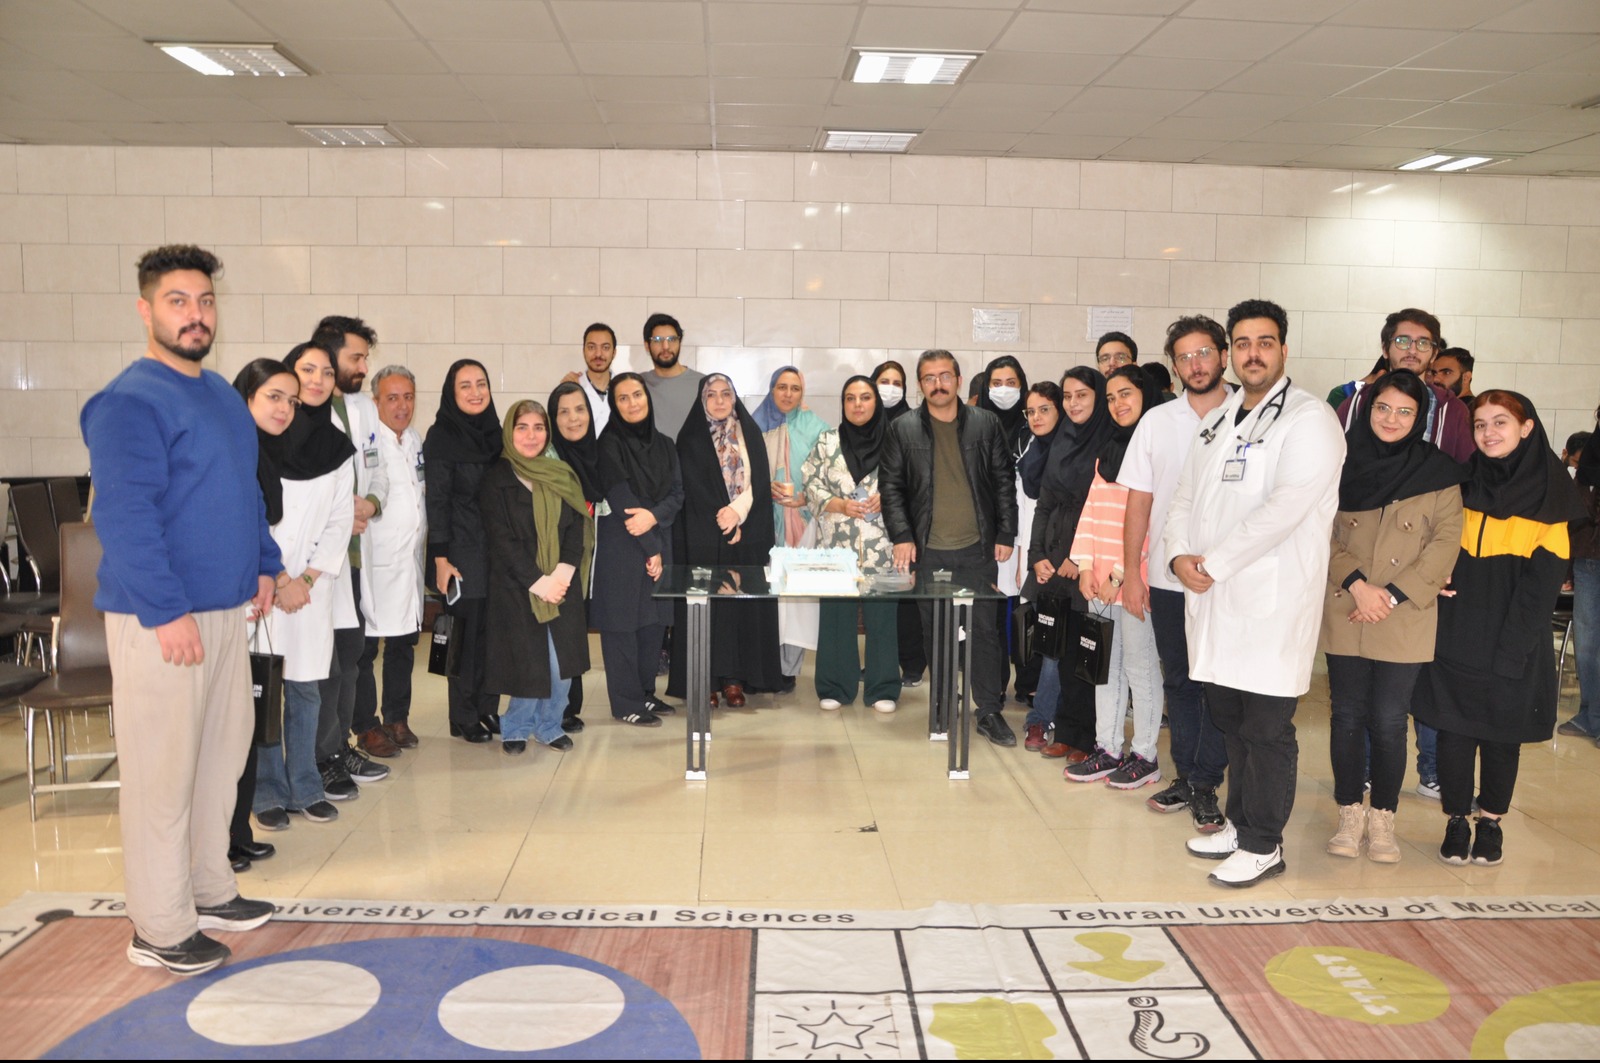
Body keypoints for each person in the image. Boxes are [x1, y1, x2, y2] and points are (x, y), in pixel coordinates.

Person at [82, 245, 279, 974]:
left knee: (220, 762)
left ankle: (207, 888)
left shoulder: (222, 394)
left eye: (204, 301)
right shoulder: (128, 403)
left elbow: (246, 491)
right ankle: (160, 927)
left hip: (225, 610)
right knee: (162, 775)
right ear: (146, 310)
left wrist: (265, 564)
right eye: (177, 301)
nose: (195, 315)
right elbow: (124, 516)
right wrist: (166, 612)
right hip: (160, 619)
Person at [1165, 298, 1345, 888]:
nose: (1253, 354)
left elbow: (1286, 508)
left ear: (1283, 349)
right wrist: (1178, 555)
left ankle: (1264, 842)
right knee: (1231, 719)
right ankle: (1240, 827)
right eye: (1242, 344)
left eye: (1264, 342)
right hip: (1214, 597)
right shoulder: (1218, 419)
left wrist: (1213, 563)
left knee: (1265, 728)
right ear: (1229, 354)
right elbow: (1185, 496)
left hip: (1271, 600)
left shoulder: (1310, 419)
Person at [1415, 391, 1581, 865]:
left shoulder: (1551, 497)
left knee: (1502, 735)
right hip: (1456, 631)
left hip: (1516, 637)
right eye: (1481, 424)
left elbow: (1540, 589)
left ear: (1527, 428)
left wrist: (1513, 649)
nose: (1489, 433)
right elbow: (1435, 544)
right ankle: (1455, 818)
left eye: (1500, 422)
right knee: (1453, 731)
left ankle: (1490, 823)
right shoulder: (1462, 482)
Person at [1319, 370, 1464, 864]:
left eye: (1405, 411)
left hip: (1405, 614)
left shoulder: (1440, 473)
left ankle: (1382, 818)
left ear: (1419, 417)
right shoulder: (1341, 465)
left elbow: (1446, 543)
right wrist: (1360, 587)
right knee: (1346, 716)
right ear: (1368, 409)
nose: (1392, 419)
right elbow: (1323, 532)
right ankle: (1348, 813)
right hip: (1348, 605)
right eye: (1383, 408)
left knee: (1387, 721)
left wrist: (1392, 596)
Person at [1120, 316, 1232, 831]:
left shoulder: (1248, 416)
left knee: (1221, 686)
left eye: (1204, 352)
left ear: (1223, 356)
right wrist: (1133, 573)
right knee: (1181, 682)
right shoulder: (1157, 421)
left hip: (1228, 579)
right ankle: (1188, 776)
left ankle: (1208, 781)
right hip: (1167, 579)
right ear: (1173, 366)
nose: (1196, 364)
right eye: (1184, 357)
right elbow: (1139, 503)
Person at [880, 350, 1019, 747]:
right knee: (937, 630)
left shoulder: (986, 424)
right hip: (929, 550)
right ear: (920, 384)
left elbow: (1004, 481)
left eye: (944, 376)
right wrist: (902, 536)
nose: (937, 384)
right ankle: (942, 702)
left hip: (977, 547)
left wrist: (1006, 532)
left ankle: (988, 709)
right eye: (929, 378)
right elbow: (891, 488)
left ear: (959, 379)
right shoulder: (903, 429)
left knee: (984, 632)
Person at [253, 341, 356, 830]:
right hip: (262, 583)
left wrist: (307, 578)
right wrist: (279, 578)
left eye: (326, 373)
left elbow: (339, 520)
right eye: (307, 370)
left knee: (306, 689)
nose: (317, 380)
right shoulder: (259, 438)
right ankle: (267, 791)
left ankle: (306, 786)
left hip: (312, 588)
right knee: (266, 686)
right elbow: (251, 515)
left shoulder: (338, 447)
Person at [1065, 365, 1166, 790]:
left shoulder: (1158, 451)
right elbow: (1090, 512)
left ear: (1146, 395)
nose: (1117, 404)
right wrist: (1086, 566)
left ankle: (1145, 755)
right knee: (1103, 668)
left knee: (1140, 669)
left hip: (1134, 579)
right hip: (1099, 582)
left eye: (1126, 393)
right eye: (1110, 397)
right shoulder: (1106, 451)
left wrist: (1120, 575)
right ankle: (1107, 748)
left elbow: (1152, 523)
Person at [479, 400, 594, 756]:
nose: (531, 436)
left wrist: (562, 574)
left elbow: (577, 525)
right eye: (522, 427)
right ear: (510, 432)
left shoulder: (561, 474)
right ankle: (516, 726)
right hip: (517, 586)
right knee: (527, 663)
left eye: (539, 428)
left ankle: (549, 725)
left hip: (561, 584)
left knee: (561, 666)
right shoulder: (496, 479)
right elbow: (501, 540)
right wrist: (539, 582)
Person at [308, 316, 392, 788]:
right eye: (355, 358)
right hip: (321, 559)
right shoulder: (305, 409)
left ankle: (339, 748)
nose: (363, 367)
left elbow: (377, 470)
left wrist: (371, 503)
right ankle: (322, 757)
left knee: (352, 652)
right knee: (326, 662)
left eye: (364, 358)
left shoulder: (361, 409)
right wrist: (345, 512)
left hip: (355, 554)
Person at [227, 358, 299, 876]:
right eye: (274, 396)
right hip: (221, 600)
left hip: (249, 595)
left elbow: (256, 518)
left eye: (291, 401)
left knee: (245, 719)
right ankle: (223, 839)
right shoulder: (233, 446)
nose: (285, 408)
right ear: (246, 396)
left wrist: (270, 569)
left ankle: (237, 833)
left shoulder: (253, 448)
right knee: (228, 727)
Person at [668, 373, 782, 704]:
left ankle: (735, 679)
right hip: (703, 536)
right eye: (711, 394)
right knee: (706, 607)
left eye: (725, 394)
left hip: (746, 533)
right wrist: (722, 520)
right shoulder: (689, 438)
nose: (719, 400)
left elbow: (760, 484)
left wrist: (738, 514)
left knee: (738, 607)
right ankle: (705, 680)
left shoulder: (750, 433)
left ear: (734, 398)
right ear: (702, 400)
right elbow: (690, 490)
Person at [1028, 367, 1113, 762]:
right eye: (1068, 396)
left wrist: (1076, 559)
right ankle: (1064, 731)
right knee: (1060, 650)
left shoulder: (1108, 440)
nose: (1073, 403)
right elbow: (1044, 503)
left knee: (1086, 654)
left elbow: (1100, 509)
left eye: (1082, 395)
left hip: (1085, 565)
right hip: (1054, 563)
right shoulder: (1063, 438)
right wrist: (1037, 557)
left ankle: (1087, 738)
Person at [592, 372, 684, 726]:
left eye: (637, 395)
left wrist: (654, 518)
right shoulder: (608, 444)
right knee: (622, 624)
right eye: (623, 398)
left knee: (653, 622)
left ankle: (645, 692)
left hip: (657, 537)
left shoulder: (666, 445)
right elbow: (621, 497)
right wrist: (651, 548)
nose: (632, 403)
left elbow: (677, 494)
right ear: (615, 406)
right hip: (623, 542)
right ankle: (626, 702)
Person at [802, 375, 898, 712]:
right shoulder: (827, 441)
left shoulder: (895, 441)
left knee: (882, 617)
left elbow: (912, 481)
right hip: (836, 547)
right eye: (850, 398)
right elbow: (810, 483)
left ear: (876, 402)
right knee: (836, 616)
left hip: (883, 547)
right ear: (843, 404)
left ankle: (883, 688)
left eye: (865, 397)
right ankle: (834, 685)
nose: (858, 404)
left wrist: (888, 497)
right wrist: (839, 504)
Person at [424, 359, 502, 744]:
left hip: (495, 552)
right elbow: (436, 501)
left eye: (481, 383)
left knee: (492, 634)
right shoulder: (441, 437)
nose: (475, 392)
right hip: (459, 552)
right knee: (462, 638)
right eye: (465, 386)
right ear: (451, 394)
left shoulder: (495, 434)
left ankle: (487, 707)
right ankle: (462, 715)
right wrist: (440, 559)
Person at [353, 365, 426, 754]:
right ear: (376, 400)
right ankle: (366, 727)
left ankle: (397, 717)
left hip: (407, 563)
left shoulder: (414, 440)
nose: (402, 406)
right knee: (365, 649)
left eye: (408, 397)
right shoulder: (367, 442)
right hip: (374, 563)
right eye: (392, 398)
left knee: (403, 644)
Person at [755, 365, 829, 691]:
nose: (788, 394)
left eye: (795, 388)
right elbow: (740, 473)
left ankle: (788, 669)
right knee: (767, 595)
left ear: (802, 393)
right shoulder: (754, 426)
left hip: (803, 524)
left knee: (796, 598)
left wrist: (805, 497)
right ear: (772, 389)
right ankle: (762, 666)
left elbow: (829, 474)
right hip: (763, 523)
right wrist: (763, 486)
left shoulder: (817, 428)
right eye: (781, 387)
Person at [1335, 309, 1474, 462]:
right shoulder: (1357, 403)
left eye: (1423, 343)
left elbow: (1466, 469)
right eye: (1402, 341)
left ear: (1434, 354)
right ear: (1385, 349)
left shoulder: (1453, 411)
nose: (1412, 350)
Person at [548, 379, 606, 732]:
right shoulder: (548, 459)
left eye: (580, 409)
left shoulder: (596, 454)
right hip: (555, 557)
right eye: (564, 412)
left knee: (573, 626)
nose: (573, 419)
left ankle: (570, 703)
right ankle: (556, 707)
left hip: (583, 555)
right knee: (557, 628)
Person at [977, 356, 1031, 701]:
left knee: (1024, 609)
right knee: (992, 612)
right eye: (996, 383)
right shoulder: (974, 425)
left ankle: (1027, 683)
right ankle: (993, 683)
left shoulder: (1032, 425)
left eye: (1011, 383)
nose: (1004, 390)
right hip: (986, 533)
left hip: (1025, 531)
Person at [1015, 381, 1065, 751]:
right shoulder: (1034, 449)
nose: (1036, 417)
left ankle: (1048, 718)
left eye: (1044, 409)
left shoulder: (1072, 448)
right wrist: (1034, 559)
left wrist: (1069, 559)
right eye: (1030, 411)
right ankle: (1042, 717)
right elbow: (1038, 508)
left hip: (1073, 560)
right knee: (1049, 643)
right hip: (1042, 556)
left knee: (1060, 647)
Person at [872, 358, 923, 686]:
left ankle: (913, 664)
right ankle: (881, 664)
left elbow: (918, 475)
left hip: (904, 522)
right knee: (879, 598)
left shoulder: (913, 425)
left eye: (897, 383)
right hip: (869, 525)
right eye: (884, 381)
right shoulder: (866, 420)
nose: (890, 389)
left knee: (906, 598)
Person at [1564, 408, 1600, 743]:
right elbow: (1573, 518)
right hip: (1588, 559)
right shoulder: (1588, 465)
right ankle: (1590, 714)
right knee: (1587, 645)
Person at [641, 312, 706, 438]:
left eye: (672, 339)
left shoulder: (703, 384)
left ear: (680, 342)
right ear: (647, 346)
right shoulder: (638, 385)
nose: (666, 346)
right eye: (657, 340)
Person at [562, 322, 617, 436]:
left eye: (605, 347)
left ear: (614, 352)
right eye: (591, 347)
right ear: (583, 351)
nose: (598, 354)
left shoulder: (623, 389)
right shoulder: (572, 387)